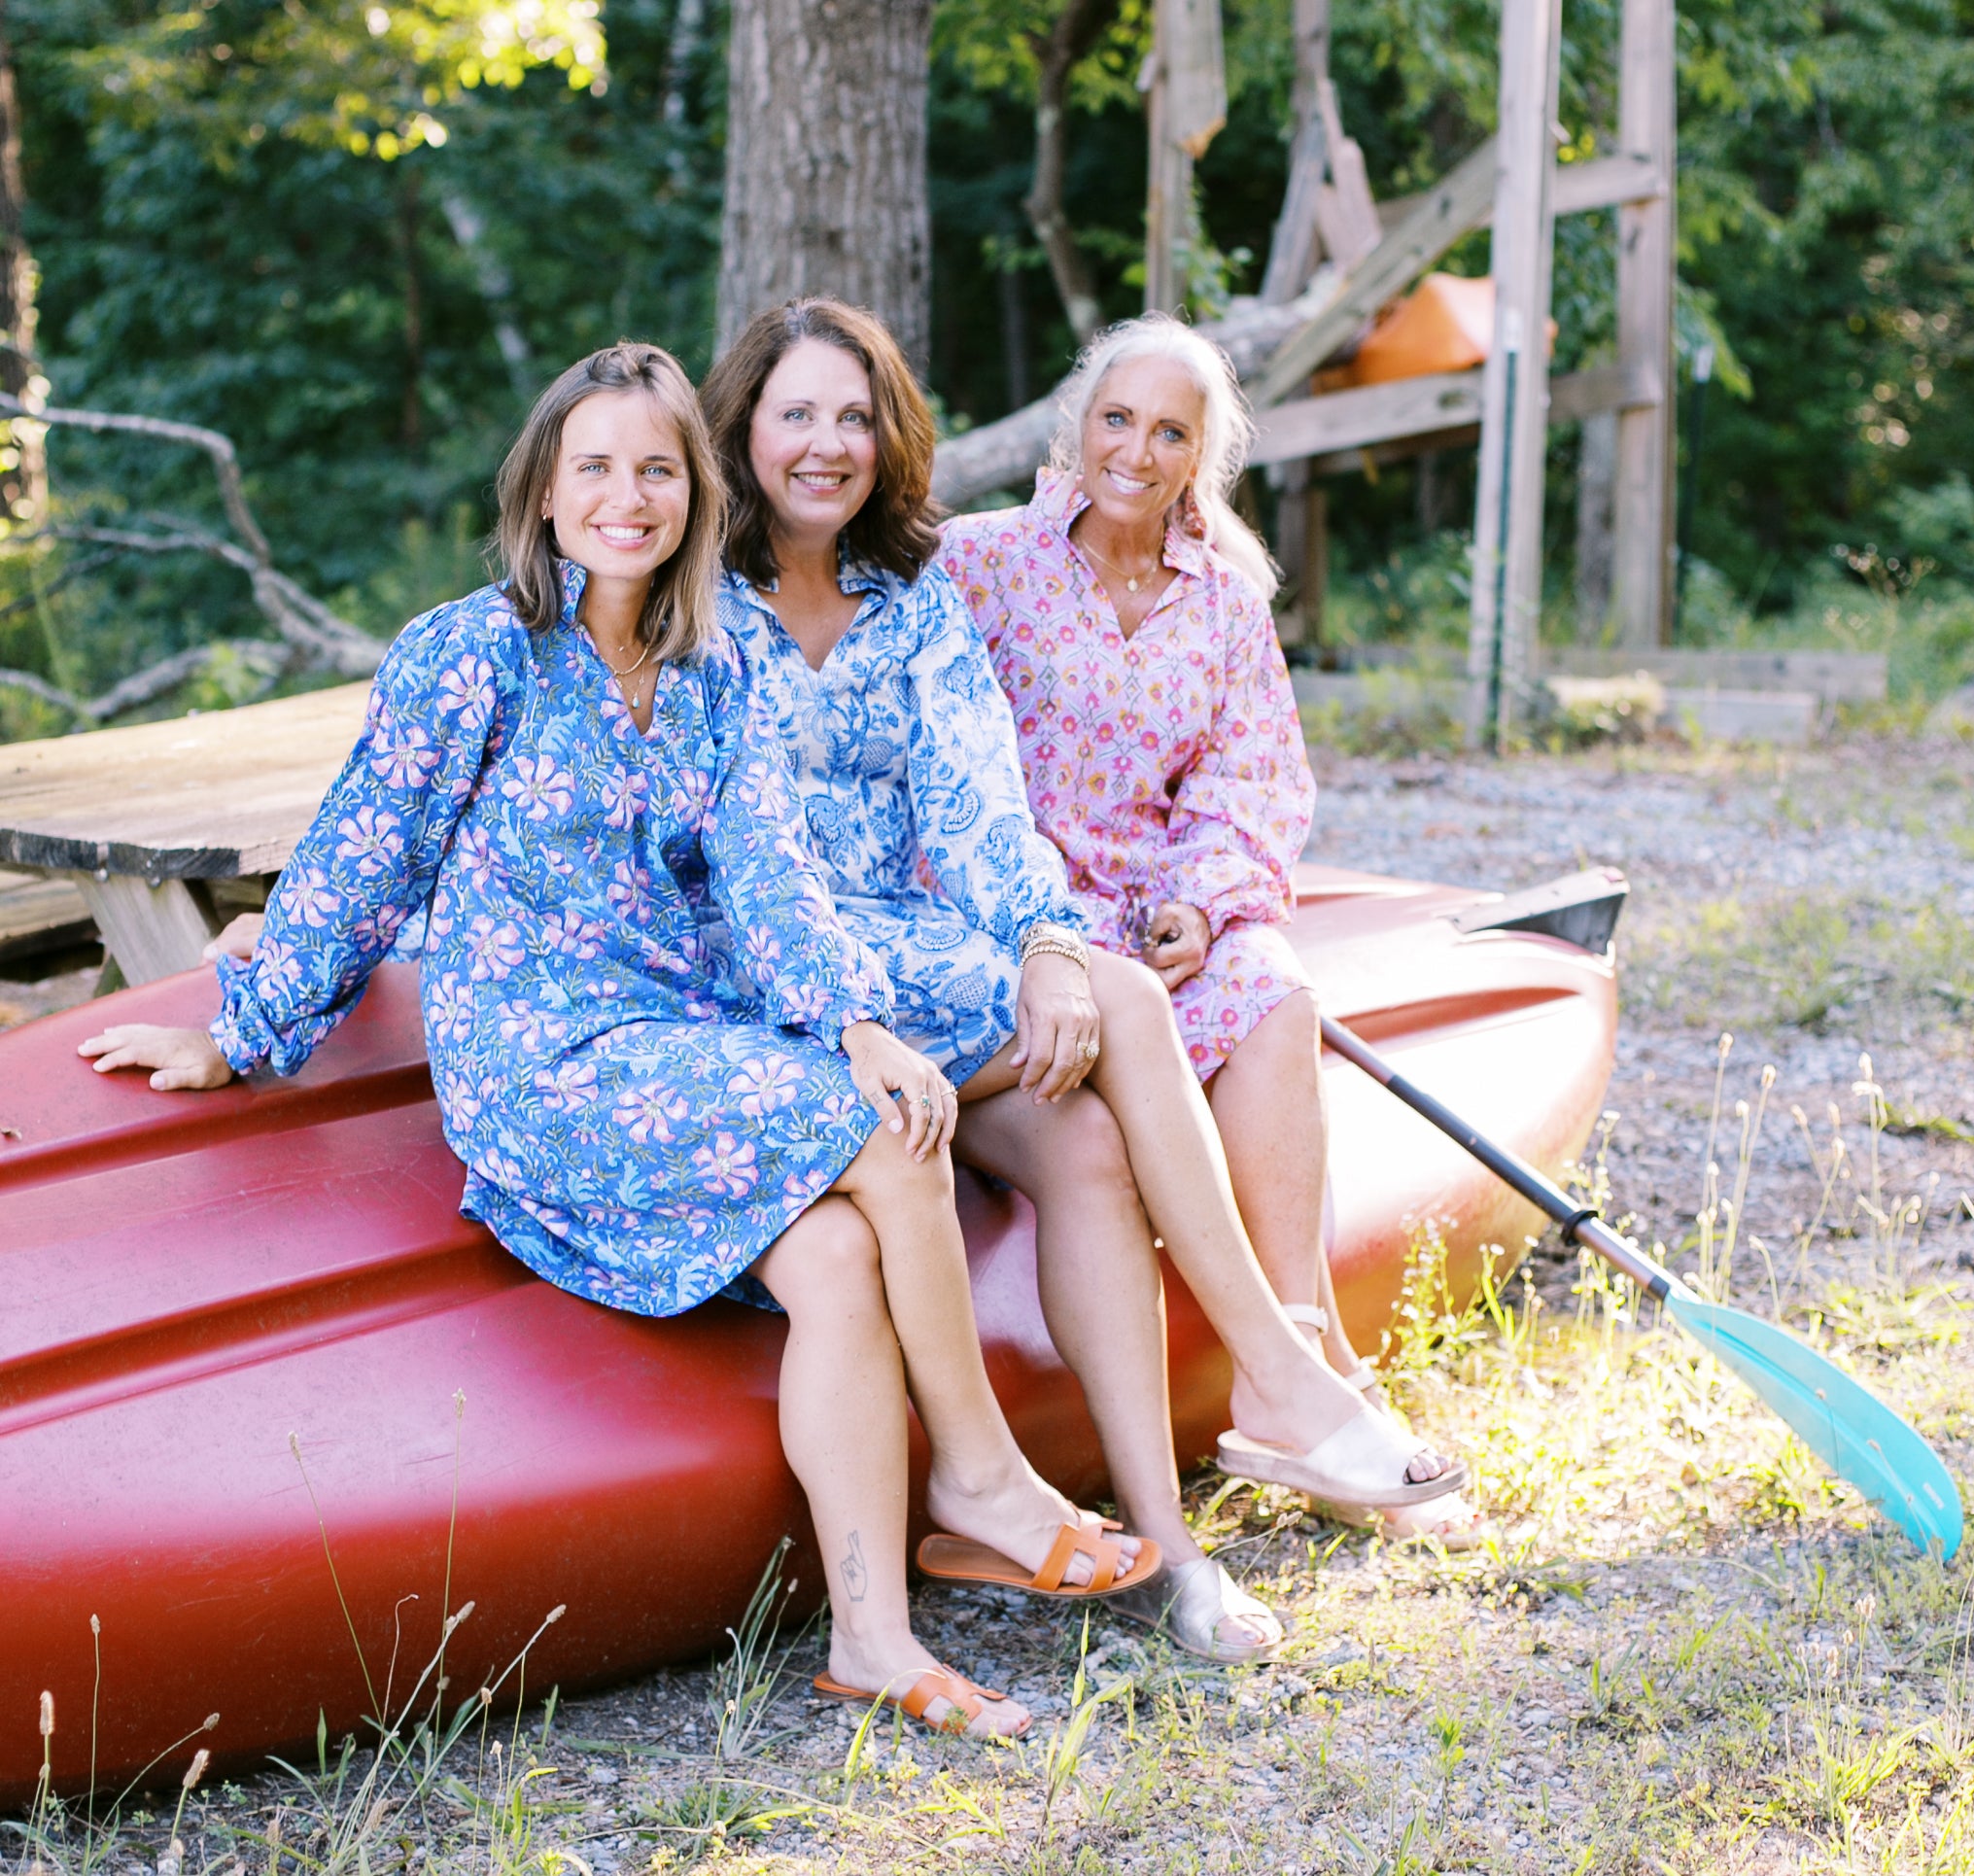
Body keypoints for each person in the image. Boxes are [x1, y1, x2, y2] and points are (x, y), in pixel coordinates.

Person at [78, 342, 1158, 1742]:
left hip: (683, 1033)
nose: (626, 496)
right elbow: (362, 854)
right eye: (594, 466)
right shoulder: (470, 654)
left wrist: (853, 1021)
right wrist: (243, 1031)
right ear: (542, 491)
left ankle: (872, 1637)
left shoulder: (716, 666)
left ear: (696, 495)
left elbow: (771, 874)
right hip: (539, 1061)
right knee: (891, 1141)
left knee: (837, 1251)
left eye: (656, 469)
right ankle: (981, 1476)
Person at [702, 297, 1469, 1665]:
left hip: (956, 959)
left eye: (853, 417)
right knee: (1120, 997)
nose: (827, 443)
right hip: (793, 983)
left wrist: (1059, 938)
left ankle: (1171, 1550)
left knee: (1103, 1132)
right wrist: (1057, 949)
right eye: (796, 414)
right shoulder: (713, 600)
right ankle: (1284, 1375)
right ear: (742, 427)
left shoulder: (910, 597)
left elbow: (980, 801)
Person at [942, 312, 1482, 1546]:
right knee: (1150, 1002)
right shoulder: (979, 564)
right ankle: (1322, 1393)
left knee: (1270, 981)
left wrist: (1199, 898)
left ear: (1201, 456)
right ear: (1076, 424)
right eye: (1115, 419)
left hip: (1160, 911)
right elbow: (930, 757)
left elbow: (1251, 781)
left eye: (1167, 432)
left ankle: (1290, 1365)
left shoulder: (1225, 604)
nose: (1134, 451)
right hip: (1020, 920)